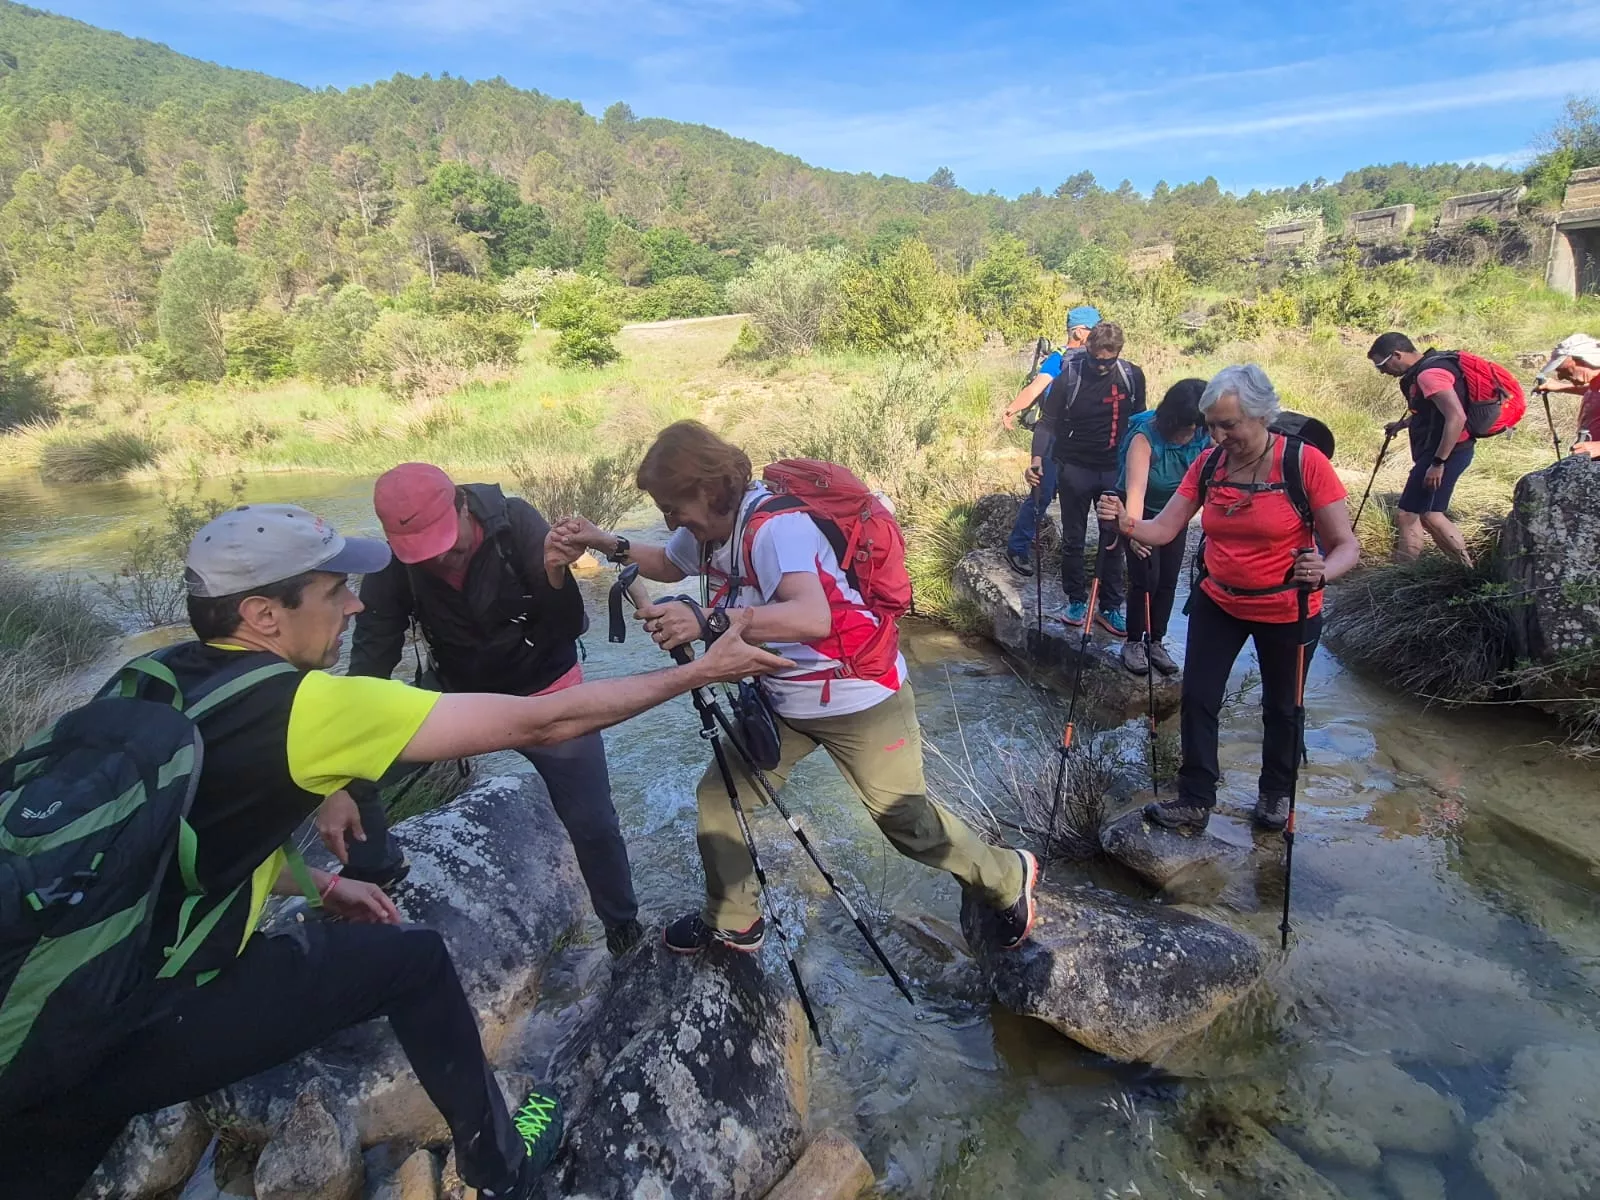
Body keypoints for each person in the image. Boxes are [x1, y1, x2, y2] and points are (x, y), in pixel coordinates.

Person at [1, 503, 788, 1200]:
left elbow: (179, 828)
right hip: (125, 1016)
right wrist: (703, 672)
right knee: (413, 963)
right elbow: (543, 723)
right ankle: (502, 1170)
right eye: (330, 591)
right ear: (261, 614)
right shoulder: (310, 706)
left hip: (42, 995)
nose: (351, 604)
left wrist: (309, 881)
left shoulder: (150, 679)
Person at [552, 421, 1039, 955]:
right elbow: (670, 564)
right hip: (782, 697)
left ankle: (1007, 875)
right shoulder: (708, 529)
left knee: (905, 820)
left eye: (674, 505)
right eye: (665, 510)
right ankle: (733, 919)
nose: (671, 519)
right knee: (722, 799)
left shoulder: (775, 529)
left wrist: (707, 620)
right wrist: (605, 542)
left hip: (858, 696)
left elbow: (812, 616)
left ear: (710, 488)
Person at [346, 463, 643, 956]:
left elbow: (570, 624)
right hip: (463, 702)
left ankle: (622, 930)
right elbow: (372, 655)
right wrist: (344, 758)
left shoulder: (516, 523)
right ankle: (376, 869)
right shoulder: (393, 561)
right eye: (423, 551)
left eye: (446, 541)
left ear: (463, 505)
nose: (438, 558)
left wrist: (553, 574)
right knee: (355, 762)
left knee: (592, 820)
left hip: (550, 691)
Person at [1096, 366, 1359, 833]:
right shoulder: (1210, 465)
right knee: (1199, 698)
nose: (1217, 435)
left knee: (1283, 705)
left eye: (1228, 425)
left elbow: (1345, 547)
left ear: (1262, 416)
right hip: (1219, 600)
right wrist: (1124, 522)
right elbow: (1164, 528)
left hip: (1287, 607)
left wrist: (1324, 570)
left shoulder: (1303, 463)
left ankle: (1275, 794)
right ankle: (1195, 797)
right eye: (1211, 425)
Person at [1028, 320, 1147, 635]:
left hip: (1114, 469)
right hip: (1075, 467)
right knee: (1074, 538)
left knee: (1114, 539)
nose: (1101, 366)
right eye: (1095, 359)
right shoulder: (1070, 374)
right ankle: (1076, 600)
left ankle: (1109, 607)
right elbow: (1047, 422)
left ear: (1118, 353)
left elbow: (1139, 424)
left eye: (1108, 360)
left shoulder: (1131, 376)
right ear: (1088, 350)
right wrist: (1037, 459)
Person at [1116, 378, 1210, 676]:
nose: (1192, 433)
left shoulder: (1205, 433)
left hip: (1175, 514)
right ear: (1171, 420)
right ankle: (1133, 642)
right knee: (1146, 578)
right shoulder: (1144, 439)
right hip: (1139, 511)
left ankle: (1155, 641)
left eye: (1197, 425)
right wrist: (1133, 533)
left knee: (1168, 579)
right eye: (1186, 427)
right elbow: (1136, 492)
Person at [1000, 305, 1102, 576]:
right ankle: (1017, 548)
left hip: (1079, 442)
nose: (1097, 334)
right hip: (1053, 439)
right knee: (1042, 493)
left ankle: (1072, 558)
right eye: (1094, 329)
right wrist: (1012, 408)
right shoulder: (1059, 358)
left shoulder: (1093, 359)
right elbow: (1036, 388)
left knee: (1070, 497)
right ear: (1079, 332)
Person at [1368, 332, 1476, 565]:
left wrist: (1438, 463)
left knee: (1412, 514)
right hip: (1450, 450)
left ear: (1396, 355)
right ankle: (1463, 570)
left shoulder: (1428, 375)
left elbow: (1456, 417)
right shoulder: (1430, 368)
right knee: (1426, 514)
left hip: (1445, 453)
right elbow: (1434, 413)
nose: (1382, 372)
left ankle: (1406, 573)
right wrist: (1404, 424)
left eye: (1381, 365)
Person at [1534, 331, 1600, 458]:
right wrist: (1559, 387)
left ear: (1583, 360)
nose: (1560, 376)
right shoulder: (1595, 381)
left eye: (1563, 370)